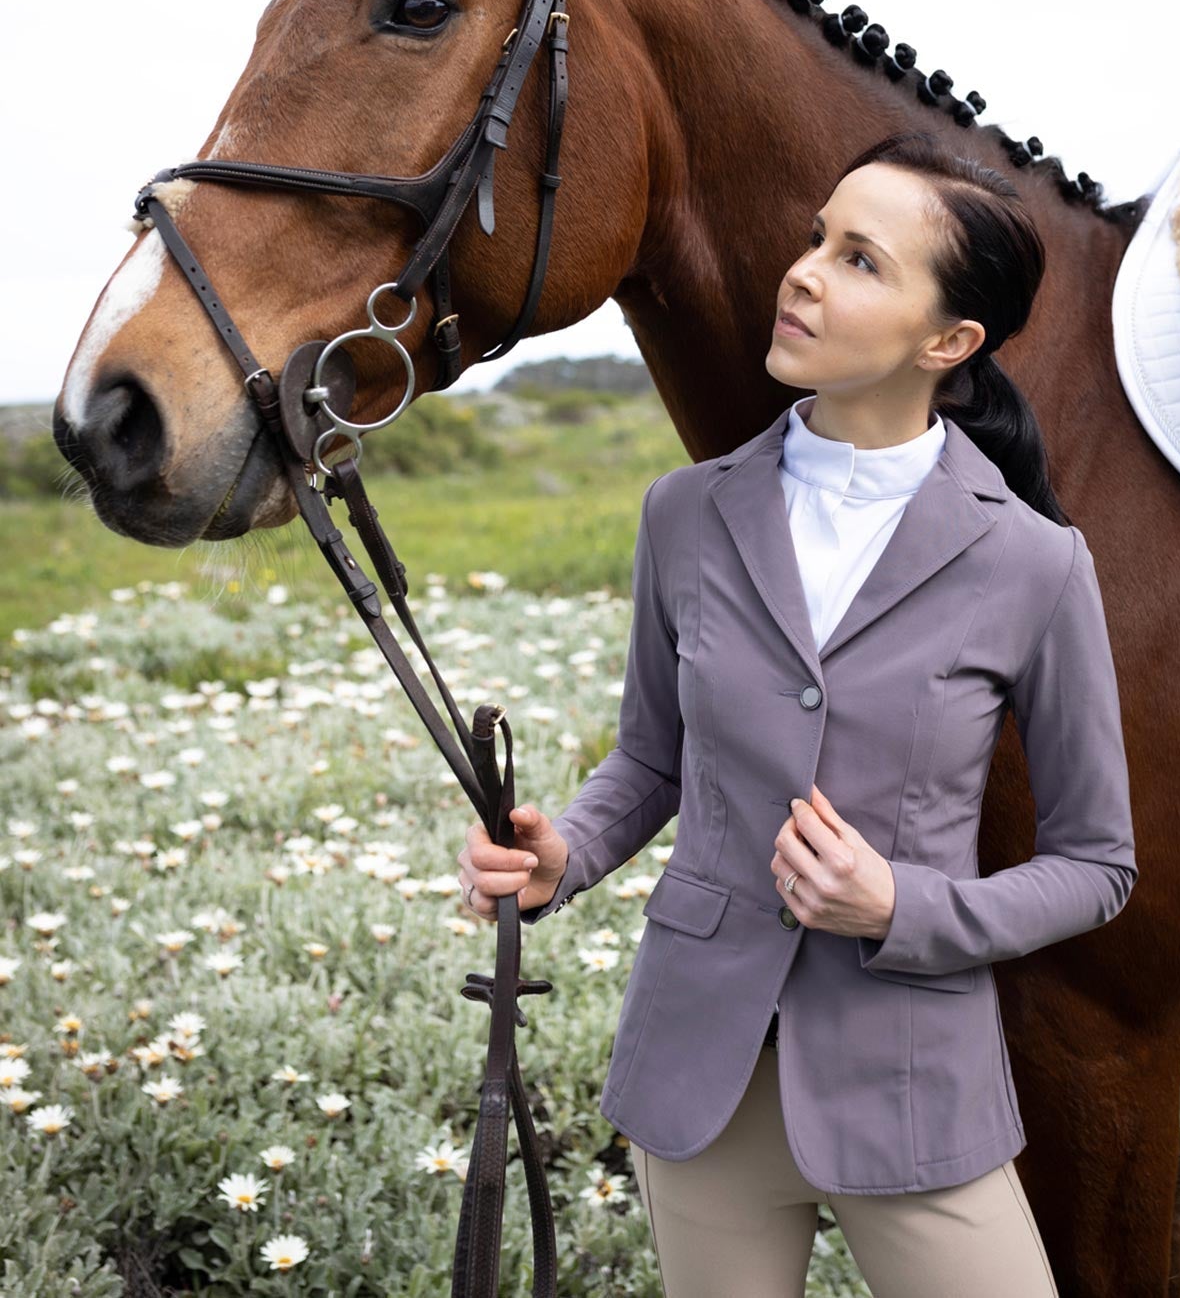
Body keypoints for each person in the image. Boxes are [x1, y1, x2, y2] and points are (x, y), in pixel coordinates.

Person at [456, 129, 1137, 1297]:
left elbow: (1097, 865)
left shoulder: (1036, 563)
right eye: (817, 237)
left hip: (914, 1085)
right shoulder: (684, 513)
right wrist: (567, 851)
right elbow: (651, 758)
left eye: (862, 259)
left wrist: (900, 905)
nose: (806, 272)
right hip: (699, 1076)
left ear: (950, 341)